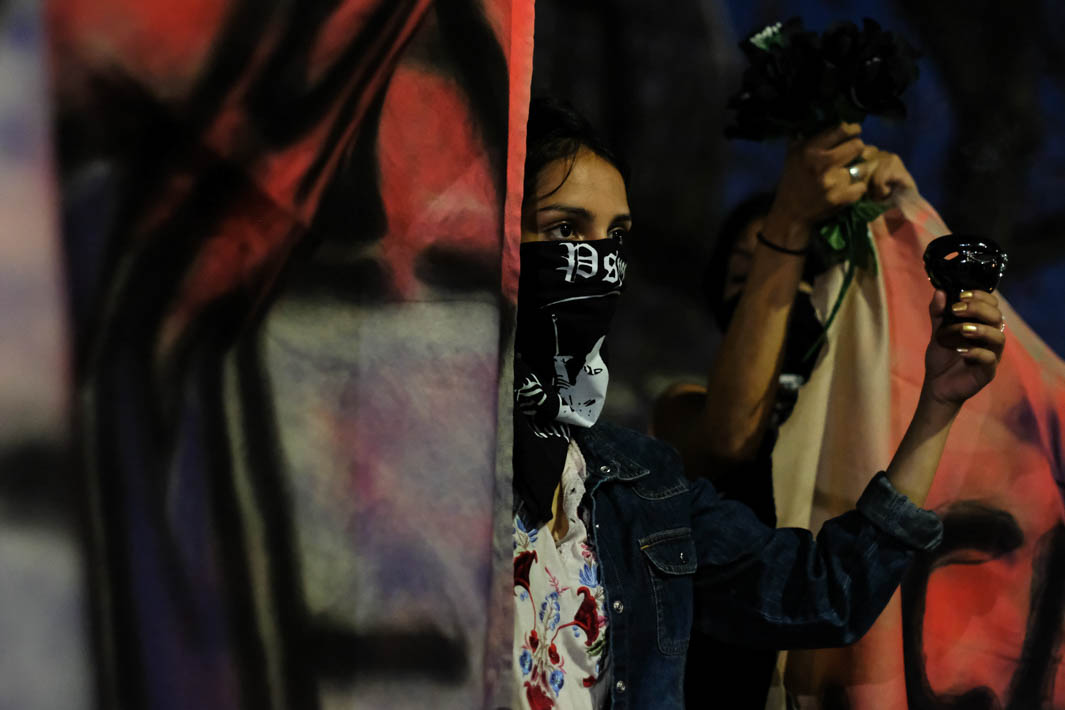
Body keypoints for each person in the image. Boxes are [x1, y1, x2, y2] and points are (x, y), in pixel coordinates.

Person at [511, 97, 1005, 710]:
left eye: (615, 237)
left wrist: (937, 403)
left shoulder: (643, 487)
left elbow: (824, 595)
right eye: (564, 229)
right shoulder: (410, 462)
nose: (601, 262)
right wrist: (790, 218)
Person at [652, 133, 918, 709]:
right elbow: (729, 437)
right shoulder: (682, 405)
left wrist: (898, 209)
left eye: (791, 271)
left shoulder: (867, 412)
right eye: (742, 273)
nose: (763, 290)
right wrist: (789, 222)